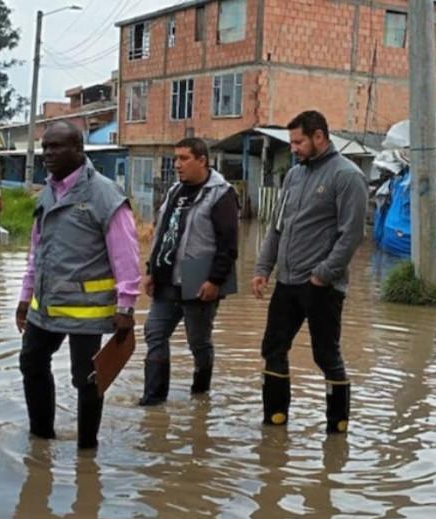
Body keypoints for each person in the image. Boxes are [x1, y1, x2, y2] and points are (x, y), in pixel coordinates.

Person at [15, 121, 140, 450]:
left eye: (56, 147)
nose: (48, 154)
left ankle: (88, 452)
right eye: (45, 148)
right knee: (31, 363)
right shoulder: (48, 191)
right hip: (44, 308)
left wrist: (126, 307)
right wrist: (25, 297)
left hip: (88, 311)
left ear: (79, 150)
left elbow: (126, 253)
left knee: (87, 379)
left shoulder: (103, 194)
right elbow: (35, 250)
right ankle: (41, 440)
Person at [251, 110, 368, 434]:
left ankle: (336, 432)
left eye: (298, 141)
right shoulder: (294, 176)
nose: (293, 148)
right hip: (286, 283)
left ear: (319, 137)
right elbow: (277, 226)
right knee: (273, 349)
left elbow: (352, 234)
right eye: (291, 142)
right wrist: (263, 268)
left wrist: (323, 274)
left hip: (322, 287)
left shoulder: (347, 176)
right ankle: (274, 425)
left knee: (325, 355)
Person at [139, 138, 239, 406]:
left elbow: (228, 244)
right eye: (175, 159)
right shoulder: (174, 191)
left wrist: (215, 280)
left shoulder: (221, 194)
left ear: (202, 160)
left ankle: (200, 393)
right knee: (154, 333)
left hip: (199, 277)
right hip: (166, 277)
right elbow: (162, 233)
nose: (177, 165)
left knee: (198, 342)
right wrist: (150, 269)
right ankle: (153, 399)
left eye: (184, 159)